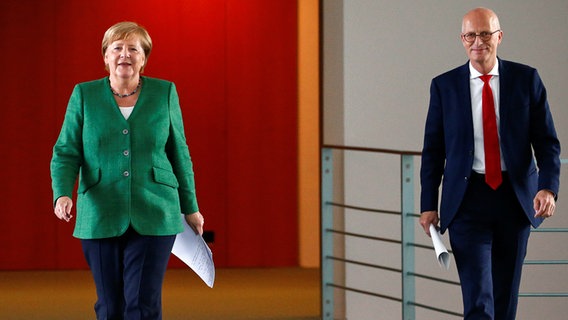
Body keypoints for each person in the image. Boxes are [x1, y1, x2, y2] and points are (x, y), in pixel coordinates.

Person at [50, 21, 205, 320]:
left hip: (156, 209)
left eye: (133, 48)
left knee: (143, 305)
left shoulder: (165, 92)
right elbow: (66, 151)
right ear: (105, 56)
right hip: (100, 211)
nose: (125, 54)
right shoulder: (84, 94)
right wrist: (62, 194)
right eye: (117, 48)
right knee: (110, 306)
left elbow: (179, 153)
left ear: (144, 58)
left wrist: (191, 207)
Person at [419, 7, 560, 320]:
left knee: (504, 300)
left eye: (485, 33)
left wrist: (548, 188)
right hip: (467, 202)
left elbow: (548, 143)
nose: (477, 41)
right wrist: (428, 203)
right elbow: (433, 151)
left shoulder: (526, 79)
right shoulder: (444, 86)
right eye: (471, 34)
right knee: (479, 301)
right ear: (462, 39)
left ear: (499, 36)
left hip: (515, 199)